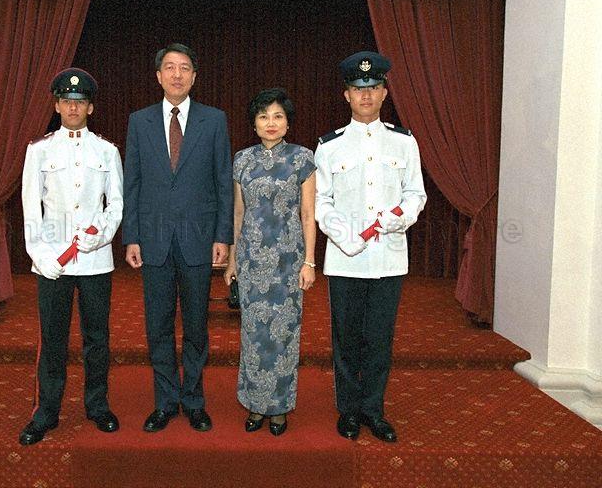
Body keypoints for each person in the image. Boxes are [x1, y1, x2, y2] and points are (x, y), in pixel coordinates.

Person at [314, 51, 426, 443]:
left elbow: (416, 193)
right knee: (345, 338)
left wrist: (398, 219)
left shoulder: (403, 142)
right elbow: (320, 202)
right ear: (346, 95)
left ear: (384, 92)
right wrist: (344, 237)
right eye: (358, 89)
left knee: (379, 338)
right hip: (345, 260)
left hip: (389, 257)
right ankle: (347, 410)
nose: (366, 96)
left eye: (373, 88)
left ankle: (373, 410)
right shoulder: (329, 146)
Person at [122, 43, 233, 432]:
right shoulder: (140, 121)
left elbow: (223, 181)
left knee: (198, 326)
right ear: (158, 75)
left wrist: (224, 236)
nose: (176, 74)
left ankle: (195, 401)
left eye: (184, 68)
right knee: (159, 325)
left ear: (194, 76)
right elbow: (131, 182)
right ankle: (166, 402)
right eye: (169, 67)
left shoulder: (214, 120)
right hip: (152, 240)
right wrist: (131, 236)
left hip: (200, 240)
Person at [18, 68, 123, 446]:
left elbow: (116, 205)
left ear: (90, 107)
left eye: (80, 102)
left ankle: (97, 405)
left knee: (97, 338)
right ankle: (46, 411)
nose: (73, 107)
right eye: (66, 101)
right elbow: (31, 209)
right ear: (56, 105)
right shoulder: (39, 150)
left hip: (95, 262)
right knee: (54, 338)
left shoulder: (107, 151)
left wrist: (100, 238)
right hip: (53, 264)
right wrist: (41, 255)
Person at [224, 88, 316, 436]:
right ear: (254, 123)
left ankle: (278, 408)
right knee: (253, 334)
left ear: (288, 121)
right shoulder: (242, 159)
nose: (271, 123)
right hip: (251, 261)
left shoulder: (302, 158)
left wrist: (309, 261)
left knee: (284, 336)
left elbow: (308, 214)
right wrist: (233, 258)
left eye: (278, 116)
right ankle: (254, 405)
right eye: (264, 116)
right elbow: (238, 212)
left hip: (288, 261)